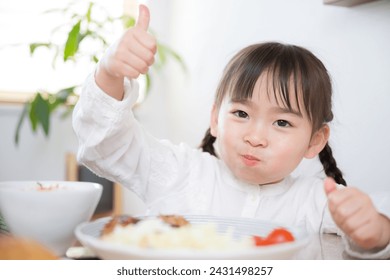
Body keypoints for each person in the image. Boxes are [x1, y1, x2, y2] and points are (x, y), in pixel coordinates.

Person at [72, 5, 390, 259]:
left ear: (315, 141)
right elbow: (107, 143)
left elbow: (373, 229)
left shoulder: (316, 203)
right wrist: (110, 72)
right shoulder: (178, 171)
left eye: (282, 123)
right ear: (215, 118)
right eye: (241, 113)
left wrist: (376, 232)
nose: (255, 137)